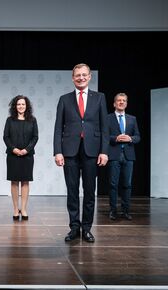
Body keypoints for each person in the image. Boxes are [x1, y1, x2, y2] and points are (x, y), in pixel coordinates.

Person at [53, 63, 109, 242]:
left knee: (89, 191)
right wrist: (57, 151)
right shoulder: (64, 99)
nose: (81, 78)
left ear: (90, 76)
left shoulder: (99, 98)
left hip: (92, 151)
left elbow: (104, 127)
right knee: (72, 191)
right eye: (78, 75)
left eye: (84, 75)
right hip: (69, 151)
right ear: (72, 78)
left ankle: (87, 228)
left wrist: (104, 151)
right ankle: (74, 228)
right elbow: (57, 128)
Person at [3, 95, 38, 221]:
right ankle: (15, 209)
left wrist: (26, 150)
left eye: (23, 104)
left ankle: (23, 209)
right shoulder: (10, 120)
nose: (21, 106)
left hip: (27, 156)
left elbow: (35, 137)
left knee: (25, 181)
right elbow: (6, 137)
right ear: (15, 106)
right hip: (13, 155)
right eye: (18, 104)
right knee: (14, 181)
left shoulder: (32, 120)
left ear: (27, 106)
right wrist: (14, 149)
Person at [107, 93, 140, 221]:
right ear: (114, 103)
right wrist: (115, 138)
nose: (121, 102)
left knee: (127, 184)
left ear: (126, 103)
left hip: (128, 155)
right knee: (113, 184)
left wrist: (130, 138)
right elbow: (103, 136)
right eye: (119, 100)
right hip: (114, 154)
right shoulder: (107, 118)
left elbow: (138, 136)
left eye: (124, 101)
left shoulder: (132, 119)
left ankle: (126, 211)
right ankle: (113, 211)